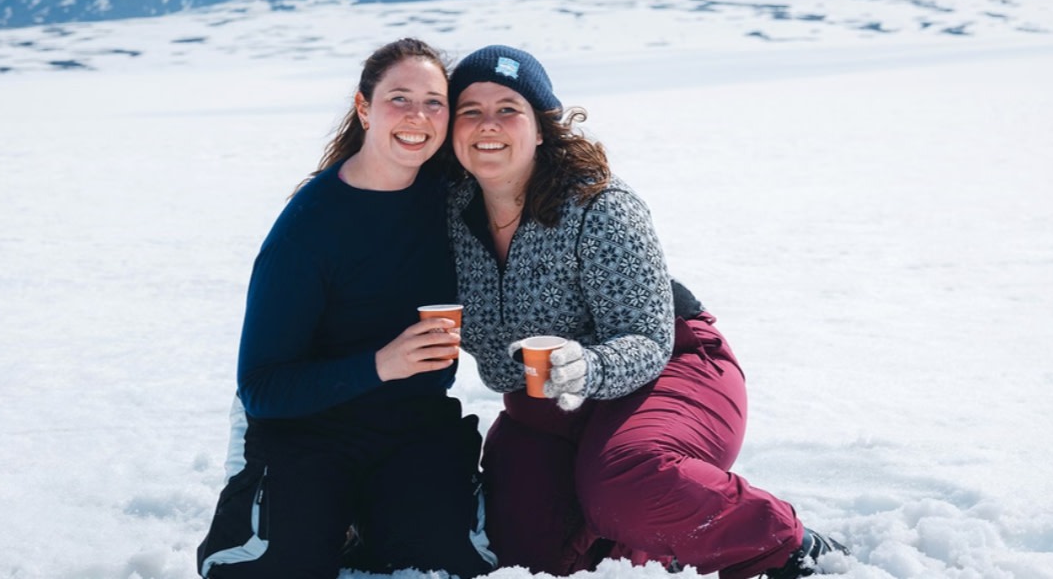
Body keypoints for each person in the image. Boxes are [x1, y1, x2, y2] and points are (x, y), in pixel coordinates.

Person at [443, 44, 849, 579]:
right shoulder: (447, 211)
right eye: (470, 110)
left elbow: (645, 337)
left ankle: (785, 543)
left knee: (625, 484)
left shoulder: (597, 205)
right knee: (526, 554)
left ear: (541, 128)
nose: (487, 124)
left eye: (508, 109)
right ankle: (637, 534)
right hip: (542, 403)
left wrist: (587, 367)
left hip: (669, 368)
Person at [196, 39, 496, 579]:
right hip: (306, 427)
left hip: (409, 424)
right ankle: (290, 505)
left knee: (451, 564)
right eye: (398, 99)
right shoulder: (311, 225)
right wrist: (381, 364)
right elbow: (261, 386)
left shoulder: (450, 198)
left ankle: (366, 520)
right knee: (280, 568)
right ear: (364, 108)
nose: (417, 117)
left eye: (434, 102)